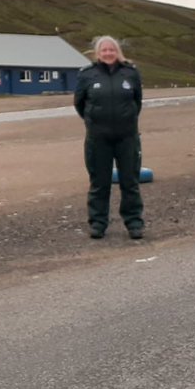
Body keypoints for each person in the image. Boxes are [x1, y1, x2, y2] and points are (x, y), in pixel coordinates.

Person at [73, 35, 145, 240]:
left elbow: (137, 102)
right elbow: (79, 104)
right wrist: (95, 122)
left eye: (111, 50)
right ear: (98, 53)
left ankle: (134, 223)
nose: (108, 53)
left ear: (117, 52)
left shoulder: (130, 73)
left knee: (130, 181)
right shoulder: (87, 75)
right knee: (99, 182)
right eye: (103, 50)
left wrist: (126, 121)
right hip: (98, 139)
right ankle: (98, 223)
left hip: (127, 137)